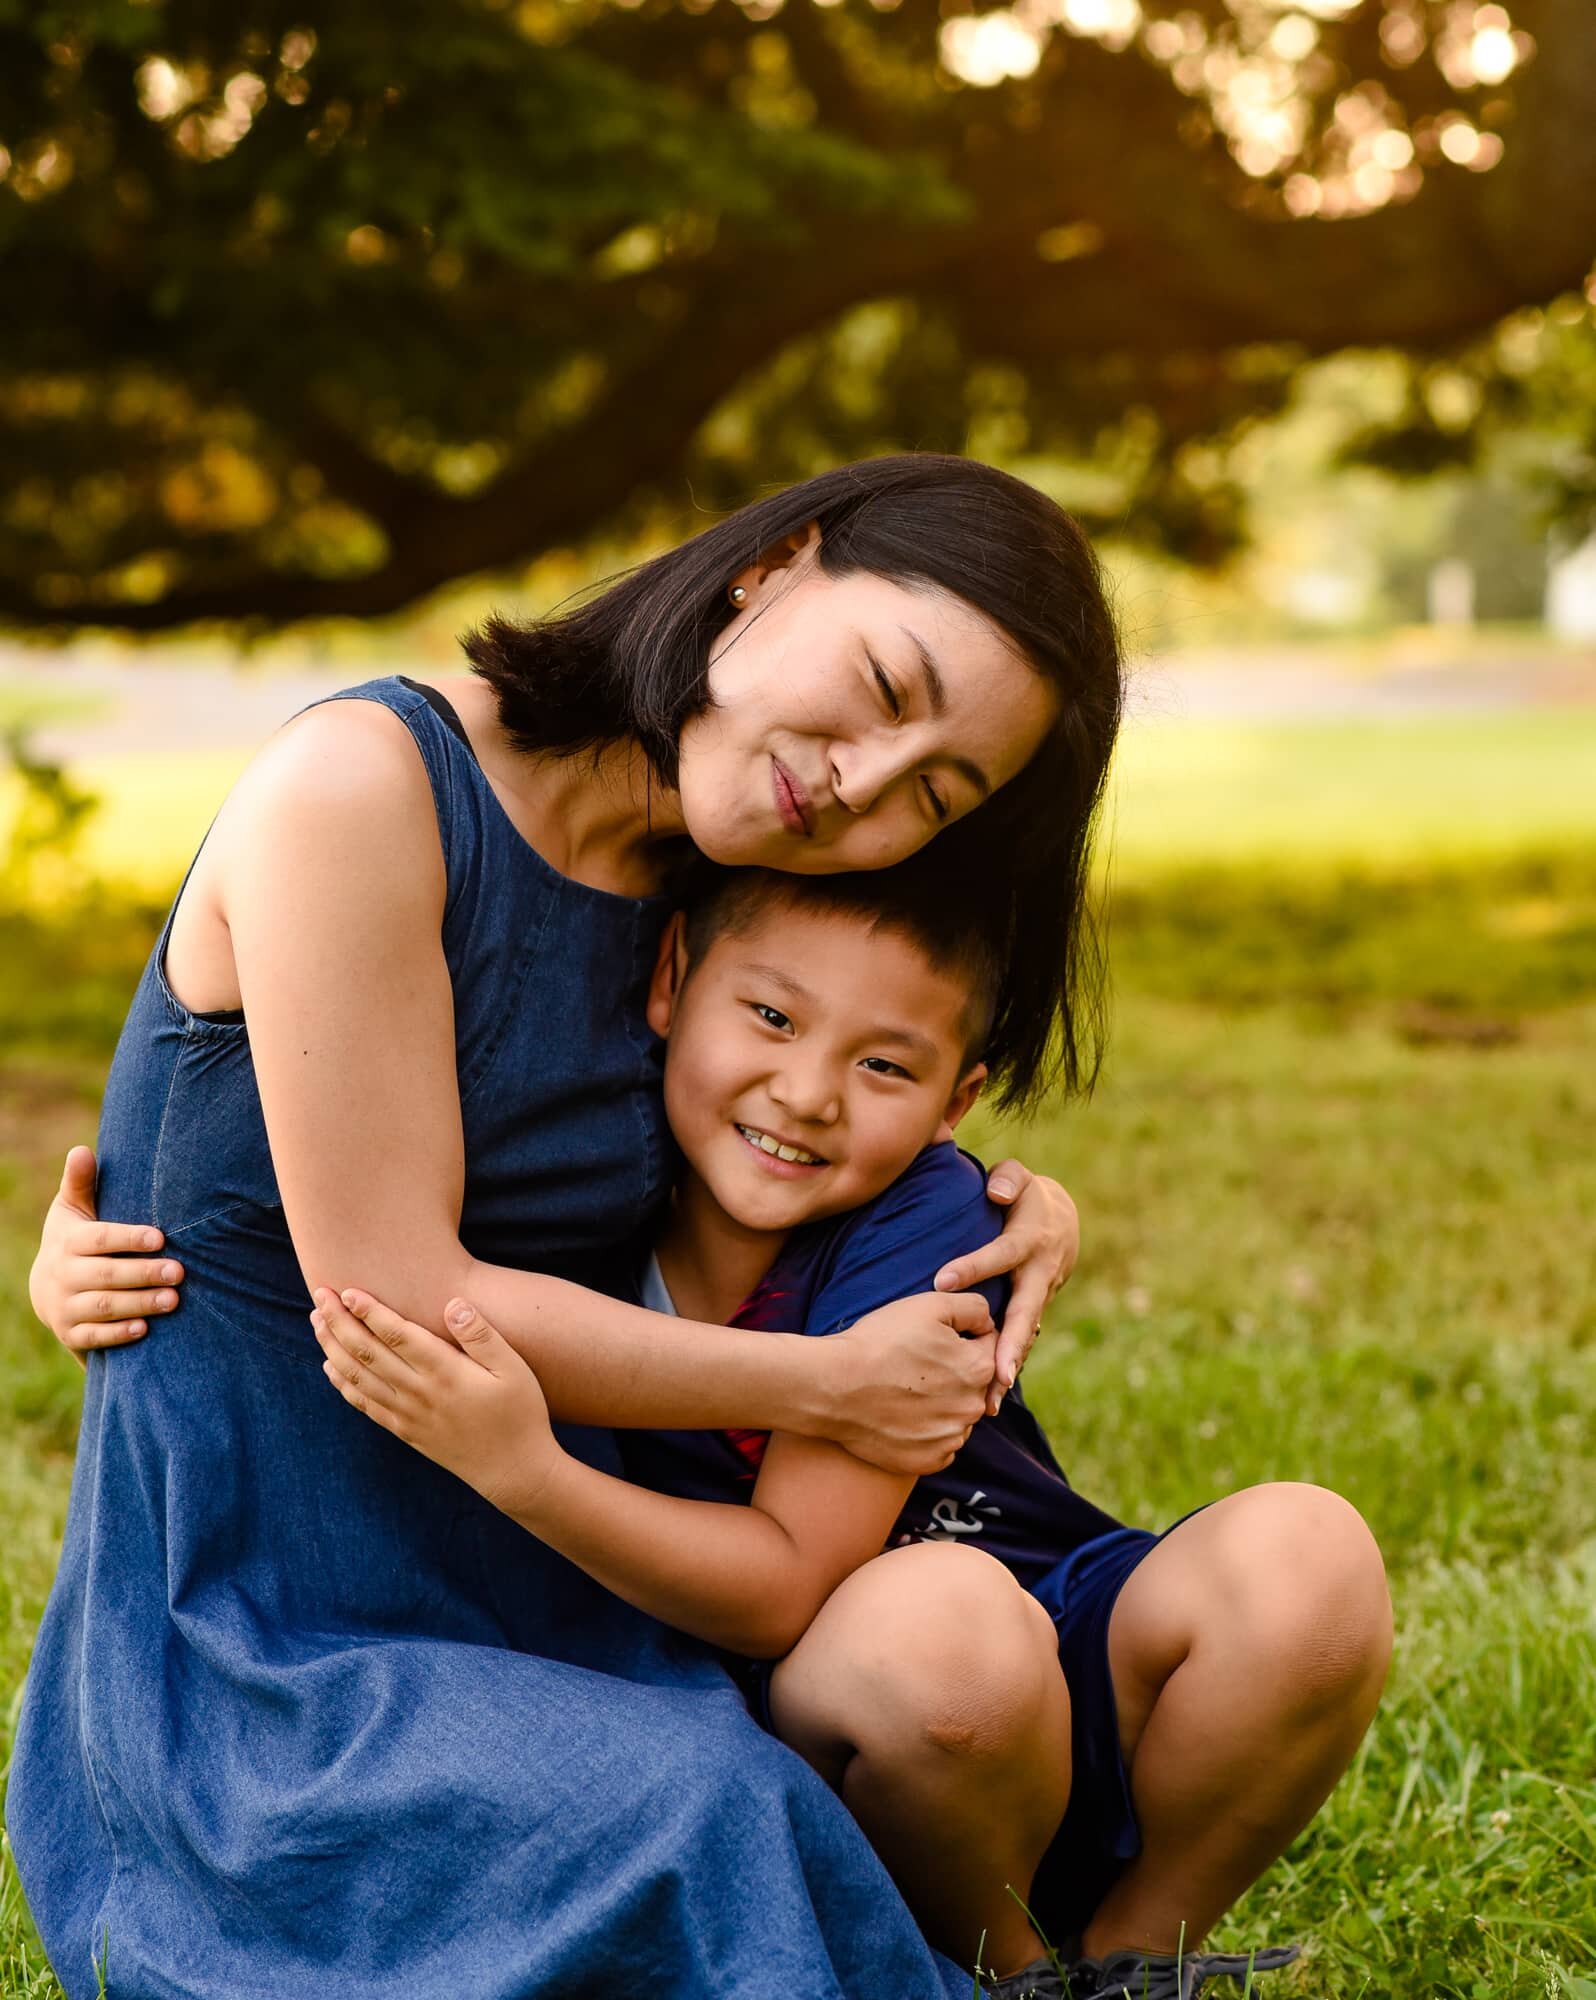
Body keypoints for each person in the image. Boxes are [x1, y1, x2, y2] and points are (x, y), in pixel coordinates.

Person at [14, 455, 1115, 2000]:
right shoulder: (363, 786)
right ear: (775, 565)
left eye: (934, 791)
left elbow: (804, 1106)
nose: (861, 782)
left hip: (549, 1602)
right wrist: (823, 1385)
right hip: (266, 1656)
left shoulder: (705, 889)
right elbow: (395, 1289)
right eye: (881, 685)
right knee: (707, 1817)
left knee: (756, 1804)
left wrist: (1008, 1195)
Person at [57, 861, 1393, 2000]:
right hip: (863, 1738)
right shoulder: (565, 1209)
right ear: (671, 983)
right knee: (944, 1644)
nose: (807, 1093)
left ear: (957, 1099)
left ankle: (1129, 1953)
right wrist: (88, 1261)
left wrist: (529, 1472)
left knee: (1308, 1556)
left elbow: (780, 1581)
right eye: (769, 1015)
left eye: (885, 1065)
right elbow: (336, 1240)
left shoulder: (921, 1224)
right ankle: (1002, 1969)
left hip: (1025, 1638)